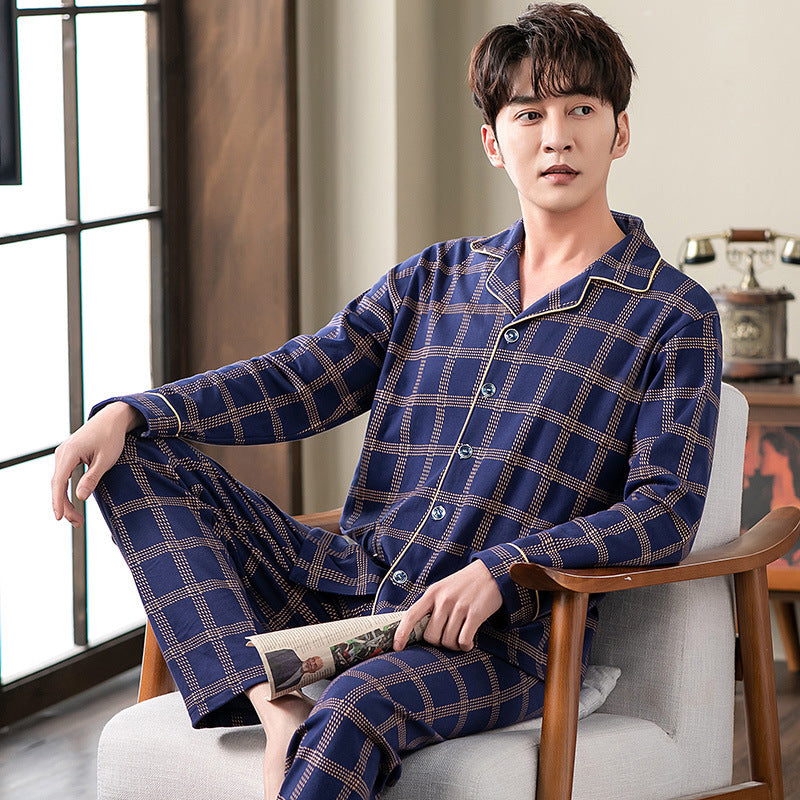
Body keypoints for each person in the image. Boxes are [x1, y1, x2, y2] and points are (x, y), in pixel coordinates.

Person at [51, 4, 723, 799]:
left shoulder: (671, 314)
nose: (556, 138)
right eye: (529, 114)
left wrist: (505, 568)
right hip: (342, 585)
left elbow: (665, 508)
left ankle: (305, 705)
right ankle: (274, 702)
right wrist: (131, 412)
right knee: (136, 449)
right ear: (493, 142)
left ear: (619, 132)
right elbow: (299, 380)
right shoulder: (432, 280)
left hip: (485, 643)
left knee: (353, 704)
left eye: (581, 109)